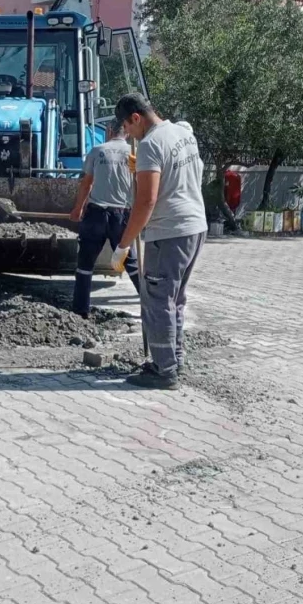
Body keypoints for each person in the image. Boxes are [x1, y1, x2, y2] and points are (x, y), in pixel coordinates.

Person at [112, 93, 207, 390]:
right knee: (174, 298)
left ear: (136, 118)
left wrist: (124, 244)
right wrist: (142, 171)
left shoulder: (151, 144)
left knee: (157, 300)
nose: (129, 134)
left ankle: (163, 370)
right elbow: (191, 174)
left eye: (128, 128)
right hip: (195, 227)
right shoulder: (182, 133)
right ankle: (175, 359)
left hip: (168, 233)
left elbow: (146, 202)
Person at [69, 120, 140, 317]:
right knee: (130, 260)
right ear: (126, 131)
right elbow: (140, 183)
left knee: (85, 263)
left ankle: (80, 310)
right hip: (121, 214)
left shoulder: (97, 150)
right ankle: (151, 307)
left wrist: (78, 209)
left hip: (96, 214)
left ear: (109, 130)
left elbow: (86, 184)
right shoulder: (133, 153)